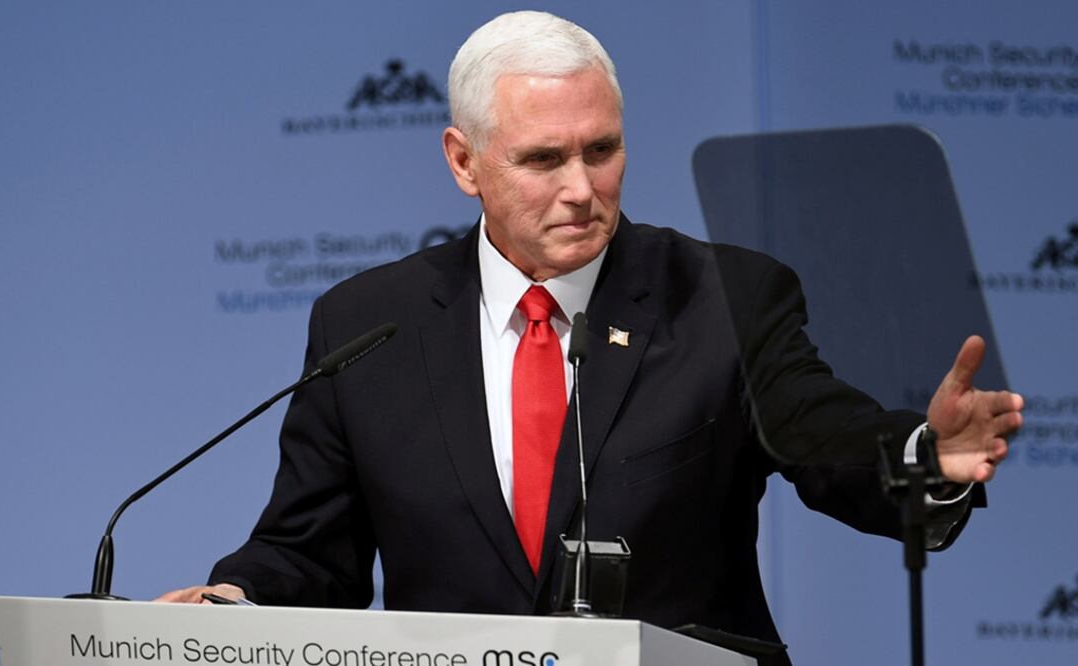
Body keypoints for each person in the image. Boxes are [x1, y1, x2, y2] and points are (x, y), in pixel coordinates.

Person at [160, 11, 1023, 665]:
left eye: (601, 150)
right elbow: (310, 551)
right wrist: (230, 603)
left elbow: (825, 439)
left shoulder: (724, 298)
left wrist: (920, 455)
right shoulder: (366, 325)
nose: (582, 188)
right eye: (543, 160)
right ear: (464, 162)